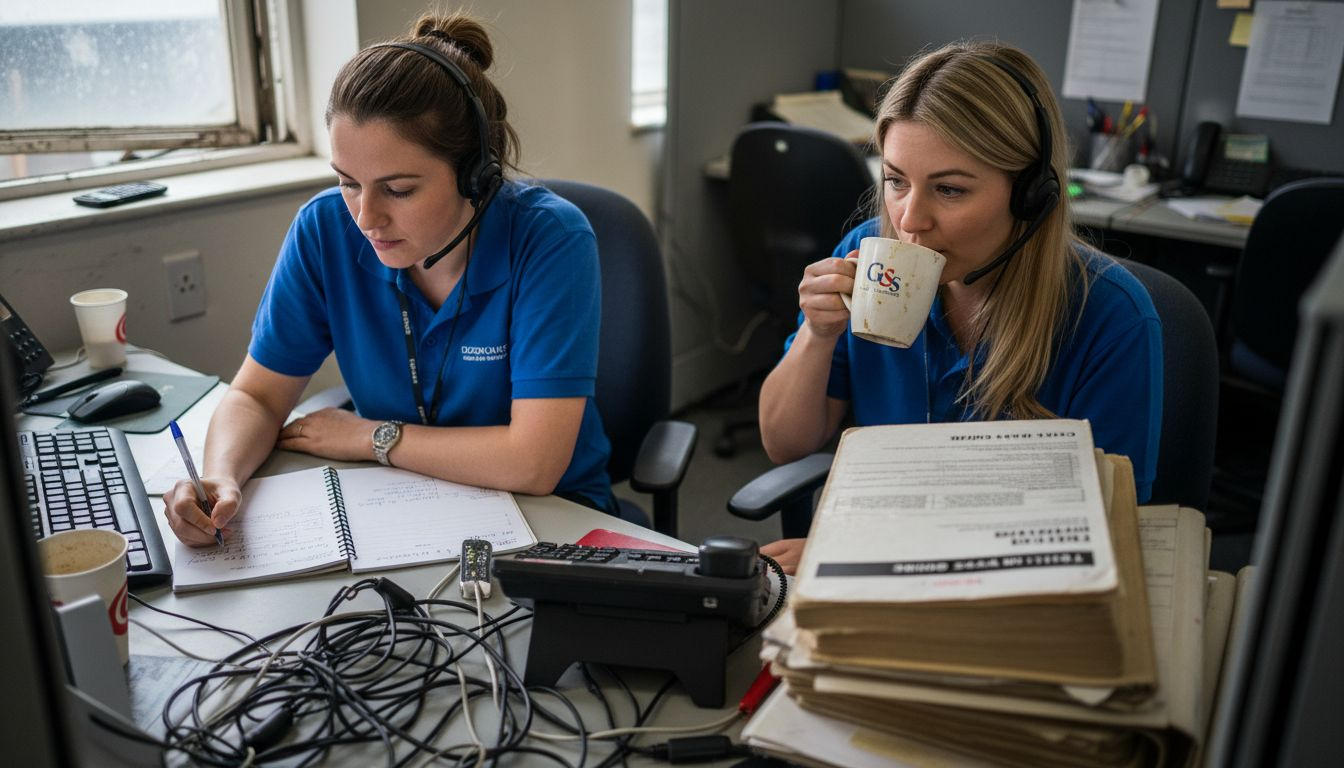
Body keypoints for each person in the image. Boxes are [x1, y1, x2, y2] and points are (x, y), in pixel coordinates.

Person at [165, 12, 613, 547]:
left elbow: (534, 462)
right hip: (397, 501)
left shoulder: (552, 240)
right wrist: (221, 475)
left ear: (476, 174)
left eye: (398, 190)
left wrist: (371, 437)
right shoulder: (323, 229)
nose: (365, 218)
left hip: (552, 516)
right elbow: (258, 397)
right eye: (348, 182)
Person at [758, 41, 1163, 574]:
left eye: (948, 190)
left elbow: (1100, 531)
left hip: (1016, 584)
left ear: (1030, 195)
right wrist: (817, 334)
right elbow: (785, 445)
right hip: (881, 562)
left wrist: (874, 549)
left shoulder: (1111, 318)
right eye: (896, 181)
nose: (909, 220)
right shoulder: (866, 259)